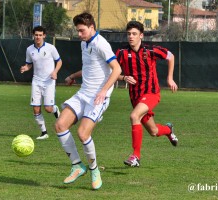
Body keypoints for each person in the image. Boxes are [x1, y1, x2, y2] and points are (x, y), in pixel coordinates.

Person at [55, 12, 121, 190]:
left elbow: (116, 69)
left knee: (83, 134)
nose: (79, 34)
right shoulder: (85, 43)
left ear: (92, 27)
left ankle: (94, 170)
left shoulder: (101, 44)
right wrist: (72, 76)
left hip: (98, 97)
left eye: (82, 30)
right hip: (83, 93)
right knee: (60, 125)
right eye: (77, 31)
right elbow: (90, 69)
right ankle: (77, 165)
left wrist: (103, 91)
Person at [116, 21, 178, 167]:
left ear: (141, 35)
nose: (131, 37)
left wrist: (169, 78)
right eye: (129, 34)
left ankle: (135, 156)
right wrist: (123, 77)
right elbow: (111, 73)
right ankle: (169, 130)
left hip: (151, 93)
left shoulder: (150, 50)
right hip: (136, 98)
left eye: (134, 34)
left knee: (134, 116)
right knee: (154, 131)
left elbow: (170, 56)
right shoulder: (122, 53)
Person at [20, 26, 62, 140]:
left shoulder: (51, 48)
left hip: (49, 81)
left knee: (48, 109)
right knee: (36, 109)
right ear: (33, 35)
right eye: (36, 35)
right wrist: (25, 68)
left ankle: (55, 109)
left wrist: (55, 71)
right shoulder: (29, 49)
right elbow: (29, 64)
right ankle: (44, 133)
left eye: (40, 35)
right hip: (36, 81)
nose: (38, 37)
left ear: (44, 35)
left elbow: (59, 61)